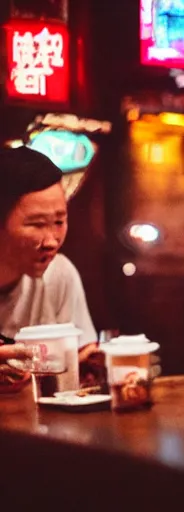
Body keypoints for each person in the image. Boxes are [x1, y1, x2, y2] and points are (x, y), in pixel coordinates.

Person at [0, 147, 98, 392]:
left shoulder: (58, 274)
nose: (52, 241)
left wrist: (92, 366)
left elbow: (82, 357)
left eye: (59, 222)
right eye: (36, 224)